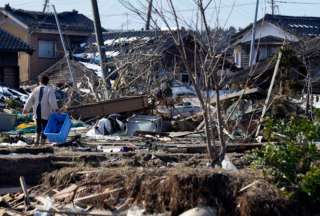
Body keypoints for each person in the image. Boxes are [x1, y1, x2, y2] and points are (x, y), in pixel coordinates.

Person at [23, 75, 58, 145]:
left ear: (40, 81)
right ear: (48, 82)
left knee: (38, 126)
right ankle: (42, 143)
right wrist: (56, 109)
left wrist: (26, 109)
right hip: (46, 112)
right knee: (45, 128)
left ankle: (36, 141)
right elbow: (52, 101)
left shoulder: (35, 89)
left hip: (37, 111)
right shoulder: (49, 89)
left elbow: (30, 100)